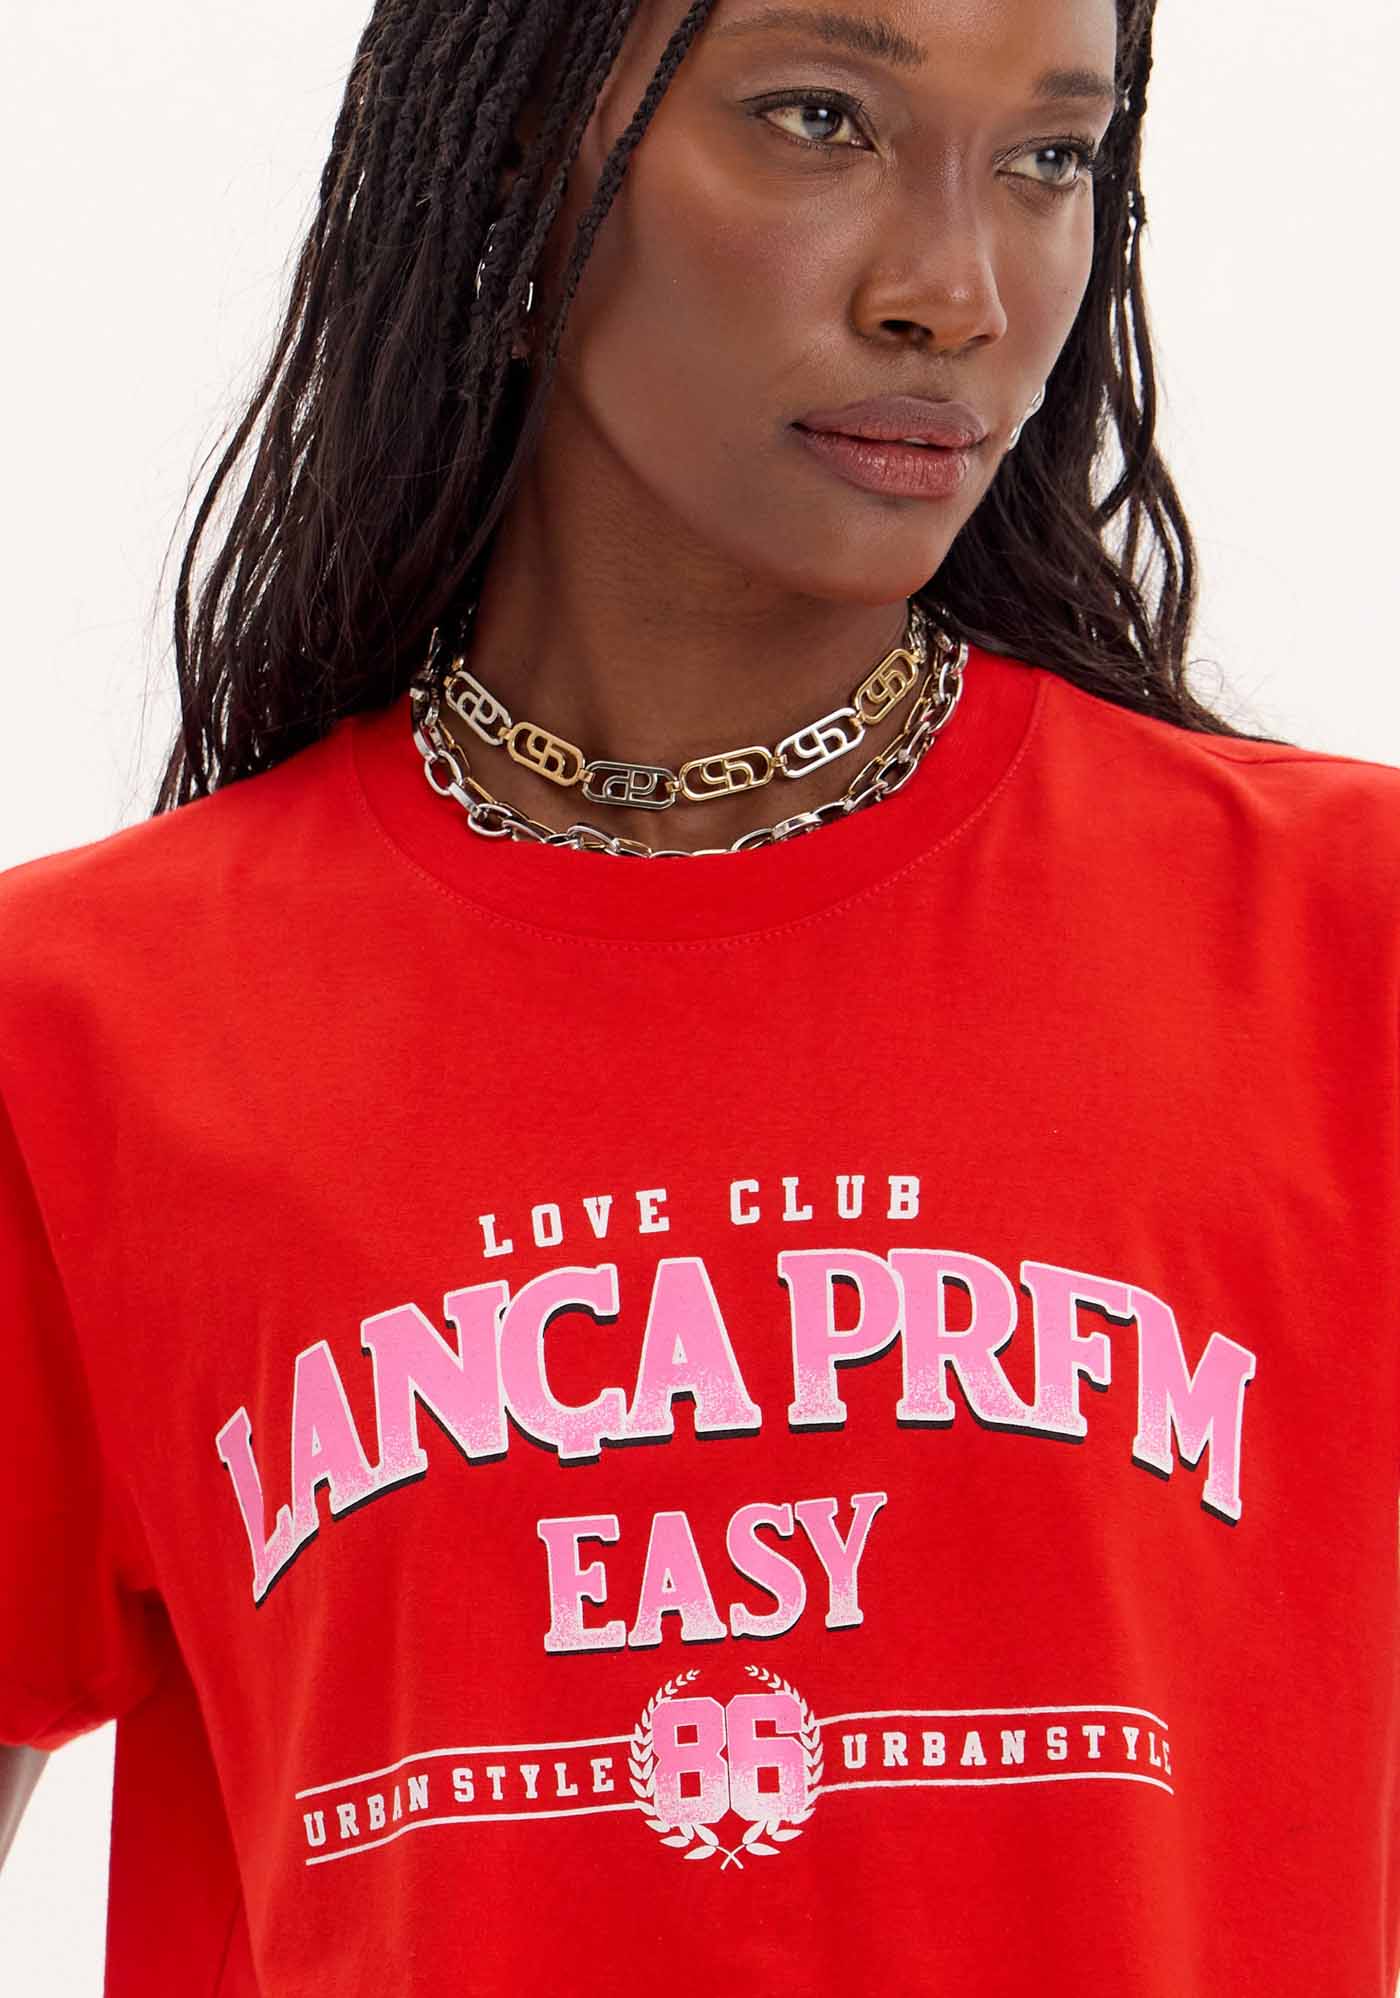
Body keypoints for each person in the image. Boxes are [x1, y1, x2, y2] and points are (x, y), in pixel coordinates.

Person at [2, 1, 1397, 1994]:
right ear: (517, 167)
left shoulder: (1343, 950)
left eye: (1049, 158)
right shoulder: (80, 1032)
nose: (959, 291)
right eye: (821, 116)